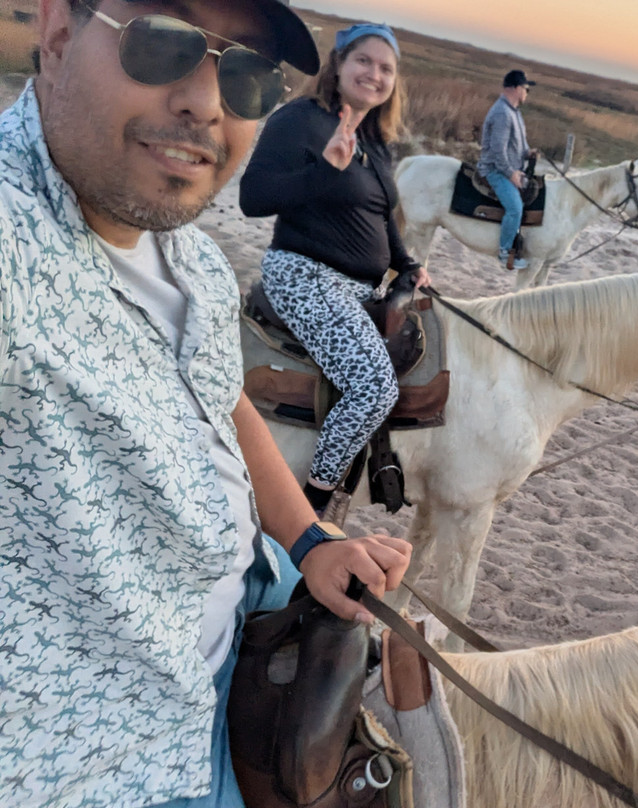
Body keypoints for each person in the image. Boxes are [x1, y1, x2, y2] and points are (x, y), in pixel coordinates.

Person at [0, 2, 411, 807]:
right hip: (121, 757)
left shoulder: (192, 253)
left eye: (248, 73)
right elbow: (270, 196)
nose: (206, 102)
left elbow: (222, 401)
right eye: (161, 41)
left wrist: (307, 539)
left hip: (249, 613)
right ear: (57, 30)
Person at [240, 22, 429, 515]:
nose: (374, 74)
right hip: (305, 274)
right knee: (373, 387)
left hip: (360, 287)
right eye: (363, 61)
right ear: (339, 64)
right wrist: (324, 170)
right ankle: (312, 506)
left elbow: (382, 215)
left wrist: (406, 263)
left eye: (386, 68)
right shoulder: (300, 120)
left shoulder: (375, 139)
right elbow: (252, 199)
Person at [478, 68, 537, 271]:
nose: (527, 92)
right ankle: (504, 252)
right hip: (495, 170)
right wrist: (511, 174)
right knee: (515, 208)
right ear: (516, 88)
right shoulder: (502, 113)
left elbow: (519, 146)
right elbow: (498, 151)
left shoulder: (514, 112)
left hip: (511, 168)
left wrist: (529, 153)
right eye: (526, 88)